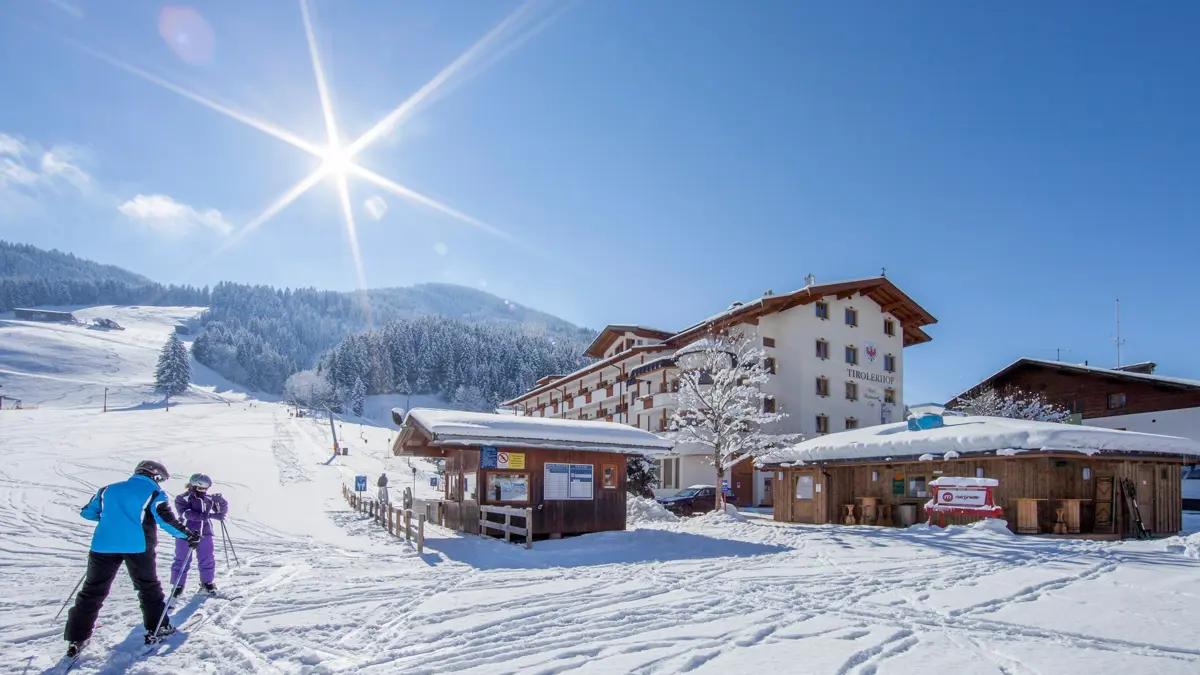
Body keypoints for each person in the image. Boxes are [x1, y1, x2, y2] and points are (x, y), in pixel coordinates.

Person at [64, 460, 199, 658]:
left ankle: (77, 637)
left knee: (92, 590)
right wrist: (188, 535)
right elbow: (166, 520)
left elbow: (88, 513)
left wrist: (112, 518)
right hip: (138, 547)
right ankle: (158, 628)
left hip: (103, 545)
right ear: (156, 477)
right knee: (147, 587)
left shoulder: (107, 490)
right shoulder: (155, 493)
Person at [170, 473, 228, 598]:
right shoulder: (183, 498)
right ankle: (177, 585)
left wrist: (222, 502)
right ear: (193, 485)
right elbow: (187, 514)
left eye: (206, 489)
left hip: (205, 532)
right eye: (201, 488)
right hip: (186, 532)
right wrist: (209, 516)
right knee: (182, 559)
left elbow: (221, 513)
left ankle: (207, 584)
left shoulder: (208, 499)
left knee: (207, 558)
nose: (204, 491)